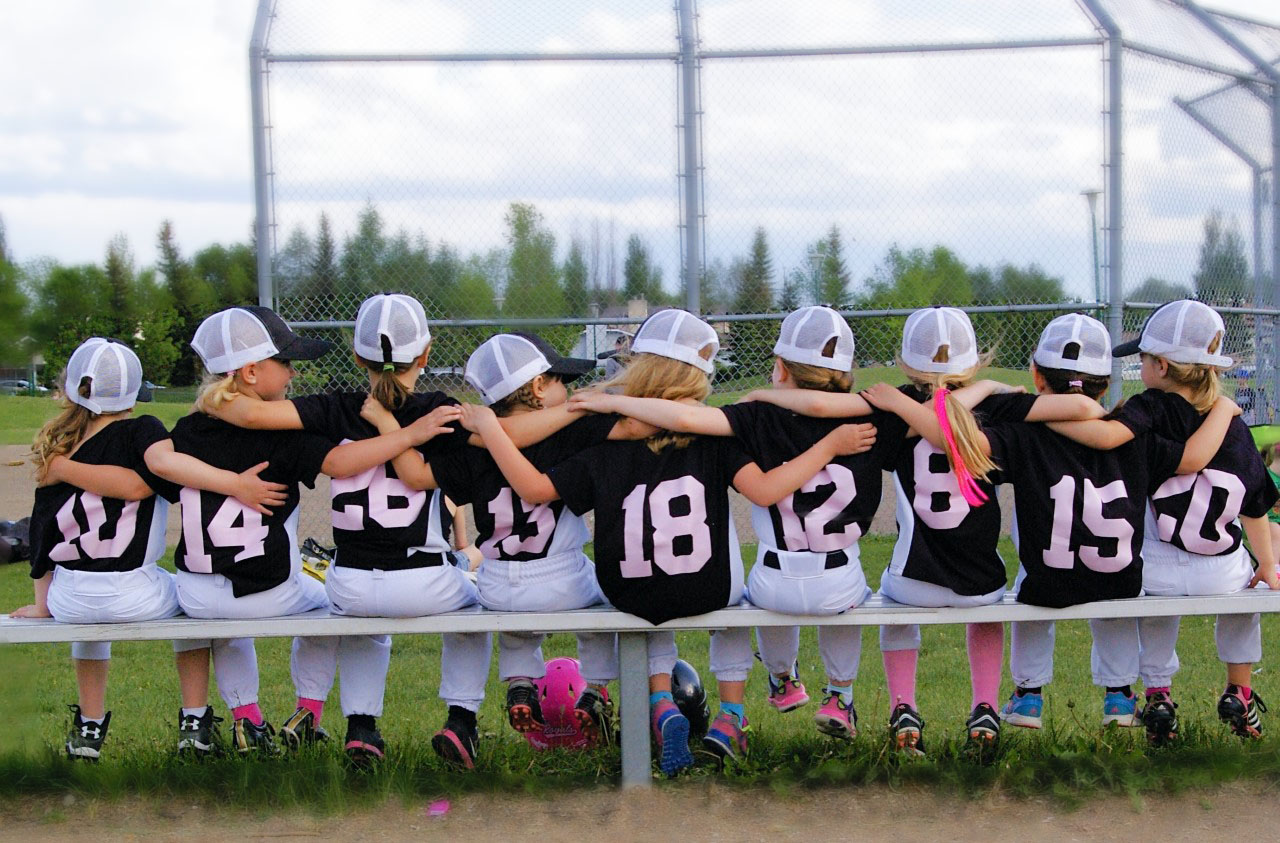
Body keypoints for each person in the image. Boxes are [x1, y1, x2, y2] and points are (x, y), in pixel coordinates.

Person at [459, 308, 874, 775]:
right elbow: (760, 488)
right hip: (707, 588)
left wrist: (500, 428)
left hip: (629, 589)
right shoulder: (715, 432)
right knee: (736, 606)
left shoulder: (604, 437)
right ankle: (730, 717)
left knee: (647, 601)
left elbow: (535, 488)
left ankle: (660, 699)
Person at [740, 306, 1103, 759]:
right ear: (973, 360)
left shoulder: (898, 410)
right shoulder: (996, 407)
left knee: (893, 605)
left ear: (908, 361)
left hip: (913, 579)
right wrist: (987, 388)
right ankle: (986, 704)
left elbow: (819, 405)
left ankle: (904, 706)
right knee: (986, 608)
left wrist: (762, 395)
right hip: (981, 581)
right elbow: (1085, 406)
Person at [861, 313, 1235, 732]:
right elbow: (1190, 459)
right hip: (1120, 579)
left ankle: (1027, 694)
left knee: (1028, 587)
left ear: (1037, 377)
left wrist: (1008, 407)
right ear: (1106, 384)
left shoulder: (1022, 435)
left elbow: (962, 444)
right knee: (1115, 600)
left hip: (1042, 580)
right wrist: (1223, 410)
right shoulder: (1136, 435)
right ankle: (1119, 693)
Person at [569, 306, 892, 741]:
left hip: (722, 581)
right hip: (835, 578)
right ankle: (823, 697)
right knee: (756, 604)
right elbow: (780, 455)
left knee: (744, 597)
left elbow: (684, 419)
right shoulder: (873, 418)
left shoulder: (751, 419)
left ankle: (768, 679)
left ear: (779, 368)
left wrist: (612, 402)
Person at [165, 304, 451, 755]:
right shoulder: (287, 432)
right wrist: (408, 436)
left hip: (197, 594)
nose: (294, 375)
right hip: (270, 590)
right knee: (328, 605)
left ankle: (243, 718)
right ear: (252, 371)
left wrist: (227, 482)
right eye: (287, 364)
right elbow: (338, 462)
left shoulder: (184, 432)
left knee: (205, 617)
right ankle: (308, 712)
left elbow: (160, 462)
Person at [365, 332, 650, 747]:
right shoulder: (570, 433)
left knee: (513, 615)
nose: (566, 390)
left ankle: (520, 683)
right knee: (603, 597)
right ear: (538, 388)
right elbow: (634, 427)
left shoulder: (471, 444)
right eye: (559, 382)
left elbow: (414, 475)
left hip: (498, 580)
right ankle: (596, 690)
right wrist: (594, 406)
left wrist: (387, 425)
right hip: (562, 577)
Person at [11, 337, 287, 759]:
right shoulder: (144, 431)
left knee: (89, 624)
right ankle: (194, 721)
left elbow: (42, 536)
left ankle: (89, 726)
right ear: (134, 389)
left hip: (70, 597)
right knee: (190, 598)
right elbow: (143, 483)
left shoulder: (60, 448)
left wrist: (43, 602)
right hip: (134, 592)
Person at [1040, 300, 1278, 743]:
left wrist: (1042, 417)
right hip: (1220, 571)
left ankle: (1159, 695)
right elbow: (1255, 506)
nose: (1142, 366)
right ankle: (1240, 690)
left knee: (1155, 605)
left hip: (1158, 568)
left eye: (1144, 359)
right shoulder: (1233, 425)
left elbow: (1108, 437)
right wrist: (1266, 564)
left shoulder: (1148, 409)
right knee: (1248, 594)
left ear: (1162, 367)